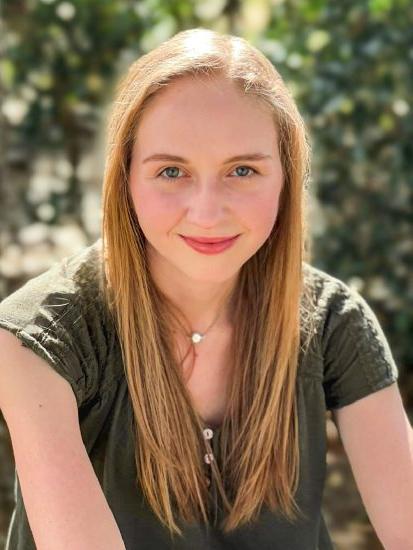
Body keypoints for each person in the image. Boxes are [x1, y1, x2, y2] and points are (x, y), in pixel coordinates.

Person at [0, 27, 411, 550]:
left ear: (287, 176)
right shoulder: (36, 340)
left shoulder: (333, 322)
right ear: (124, 180)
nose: (207, 212)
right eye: (172, 171)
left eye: (242, 170)